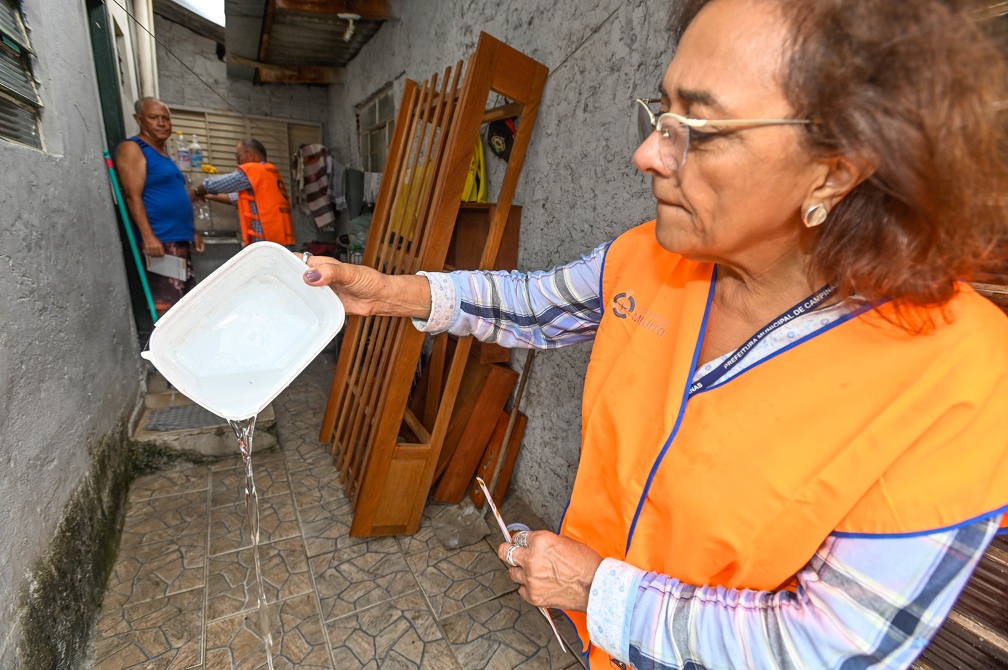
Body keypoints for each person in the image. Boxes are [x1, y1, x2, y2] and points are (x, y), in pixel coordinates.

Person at [301, 0, 1008, 667]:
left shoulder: (961, 378)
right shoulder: (655, 255)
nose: (648, 154)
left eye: (696, 130)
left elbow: (828, 649)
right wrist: (391, 293)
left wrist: (599, 592)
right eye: (662, 111)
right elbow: (533, 305)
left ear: (834, 171)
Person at [115, 97, 204, 315]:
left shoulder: (163, 156)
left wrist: (191, 231)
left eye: (165, 118)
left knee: (184, 301)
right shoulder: (134, 148)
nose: (162, 123)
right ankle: (161, 347)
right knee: (166, 306)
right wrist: (148, 236)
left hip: (176, 239)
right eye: (154, 117)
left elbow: (175, 197)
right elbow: (132, 196)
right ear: (139, 119)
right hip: (159, 243)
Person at [193, 138, 295, 248]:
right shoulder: (270, 173)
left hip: (266, 244)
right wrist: (208, 196)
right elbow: (235, 198)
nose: (237, 161)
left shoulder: (254, 171)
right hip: (281, 240)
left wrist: (196, 192)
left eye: (238, 156)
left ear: (250, 155)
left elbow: (215, 184)